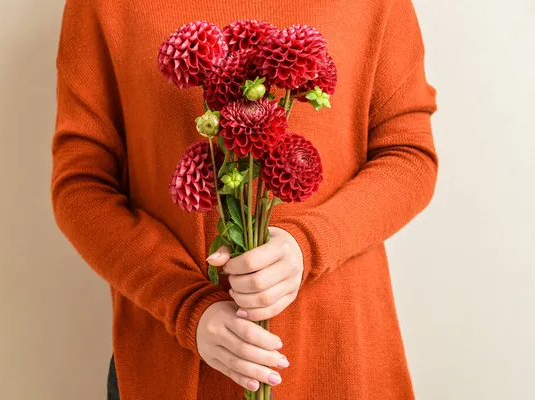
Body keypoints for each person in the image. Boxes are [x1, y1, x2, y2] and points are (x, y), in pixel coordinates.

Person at [51, 0, 437, 398]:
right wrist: (185, 303)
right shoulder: (103, 6)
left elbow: (408, 155)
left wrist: (307, 245)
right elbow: (81, 185)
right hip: (173, 359)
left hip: (338, 358)